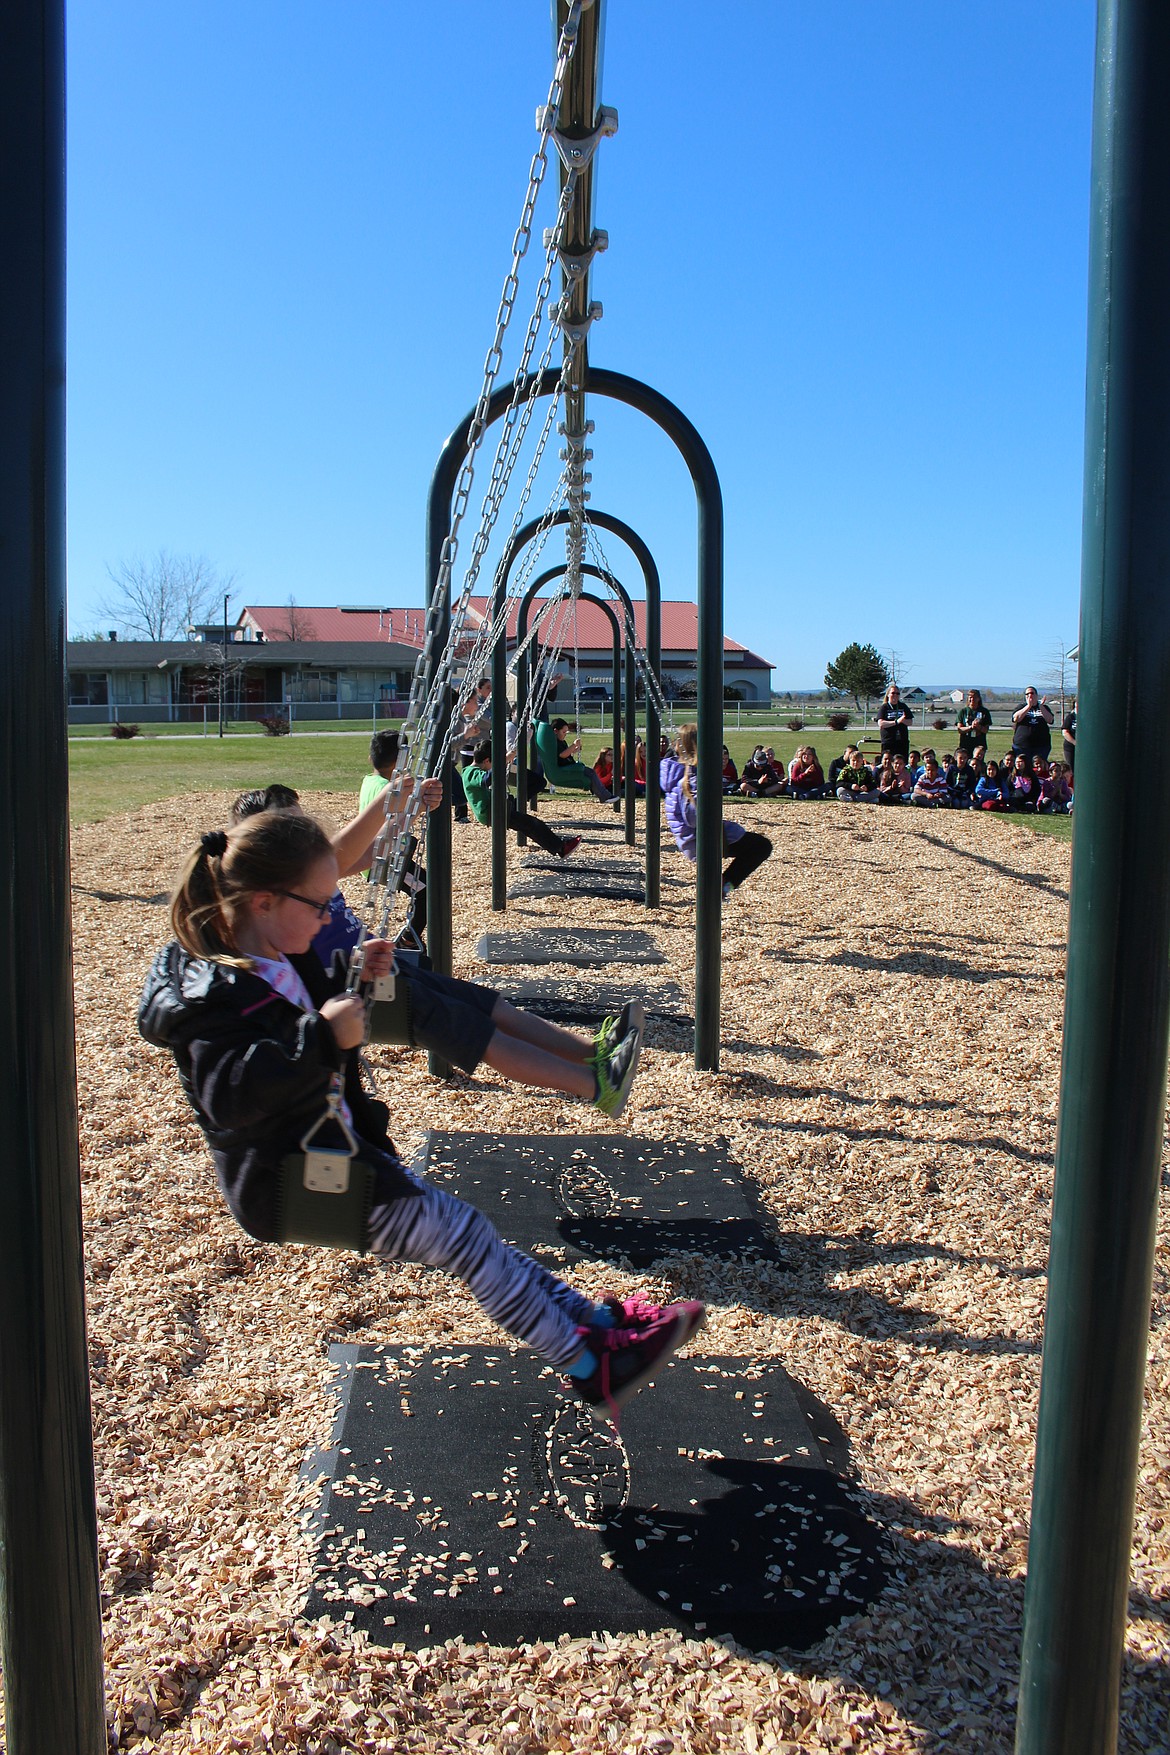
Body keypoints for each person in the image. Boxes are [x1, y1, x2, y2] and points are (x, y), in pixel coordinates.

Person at [138, 813, 702, 1420]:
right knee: (460, 1235)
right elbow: (232, 1095)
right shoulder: (210, 998)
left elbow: (299, 1004)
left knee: (470, 1233)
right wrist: (322, 1038)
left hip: (335, 1152)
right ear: (264, 900)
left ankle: (593, 1323)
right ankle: (591, 1363)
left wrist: (355, 971)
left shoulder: (272, 950)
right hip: (289, 1181)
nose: (329, 917)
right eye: (320, 904)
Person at [229, 788, 642, 1111]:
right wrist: (387, 800)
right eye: (298, 836)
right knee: (479, 1035)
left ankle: (592, 1053)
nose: (312, 844)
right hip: (363, 990)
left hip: (379, 966)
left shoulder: (309, 873)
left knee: (487, 1005)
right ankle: (597, 1087)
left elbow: (374, 849)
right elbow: (339, 857)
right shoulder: (279, 906)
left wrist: (410, 810)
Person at [663, 724, 771, 900]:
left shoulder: (678, 770)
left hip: (692, 837)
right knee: (760, 847)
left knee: (758, 847)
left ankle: (722, 886)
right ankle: (723, 887)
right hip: (701, 838)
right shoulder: (694, 776)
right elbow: (694, 817)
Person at [463, 740, 582, 861]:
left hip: (496, 808)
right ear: (486, 761)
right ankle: (561, 848)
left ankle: (560, 847)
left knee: (529, 825)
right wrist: (503, 760)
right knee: (532, 825)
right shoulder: (470, 773)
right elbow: (486, 780)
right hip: (490, 812)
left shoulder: (473, 770)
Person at [535, 718, 614, 803]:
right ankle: (605, 796)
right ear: (555, 731)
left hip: (567, 767)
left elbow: (566, 754)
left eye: (566, 732)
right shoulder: (555, 743)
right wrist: (573, 745)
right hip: (563, 771)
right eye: (563, 732)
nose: (565, 734)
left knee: (590, 774)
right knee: (590, 773)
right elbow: (562, 755)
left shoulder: (561, 742)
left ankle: (601, 793)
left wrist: (574, 750)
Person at [1010, 687, 1055, 762]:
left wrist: (1041, 706)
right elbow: (1016, 719)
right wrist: (1028, 706)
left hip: (1041, 746)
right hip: (1022, 746)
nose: (1030, 695)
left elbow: (1050, 720)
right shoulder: (1021, 707)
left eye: (1032, 693)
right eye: (1027, 694)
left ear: (1036, 696)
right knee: (1024, 768)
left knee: (1039, 768)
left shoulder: (1044, 707)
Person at [875, 683, 913, 762]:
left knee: (902, 762)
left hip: (902, 741)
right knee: (888, 762)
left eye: (897, 693)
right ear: (888, 694)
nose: (895, 695)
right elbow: (881, 723)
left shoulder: (903, 706)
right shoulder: (884, 707)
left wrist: (903, 720)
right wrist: (896, 722)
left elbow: (910, 722)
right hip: (888, 741)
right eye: (893, 693)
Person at [955, 690, 992, 757]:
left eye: (974, 697)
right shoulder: (963, 712)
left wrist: (979, 727)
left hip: (979, 743)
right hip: (965, 743)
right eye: (970, 697)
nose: (972, 699)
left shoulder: (984, 712)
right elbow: (960, 729)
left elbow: (986, 730)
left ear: (978, 698)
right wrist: (971, 727)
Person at [1062, 698, 1077, 777]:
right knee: (1071, 769)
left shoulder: (1087, 716)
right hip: (1070, 747)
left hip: (1084, 748)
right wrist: (1075, 742)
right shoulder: (1070, 717)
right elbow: (1065, 732)